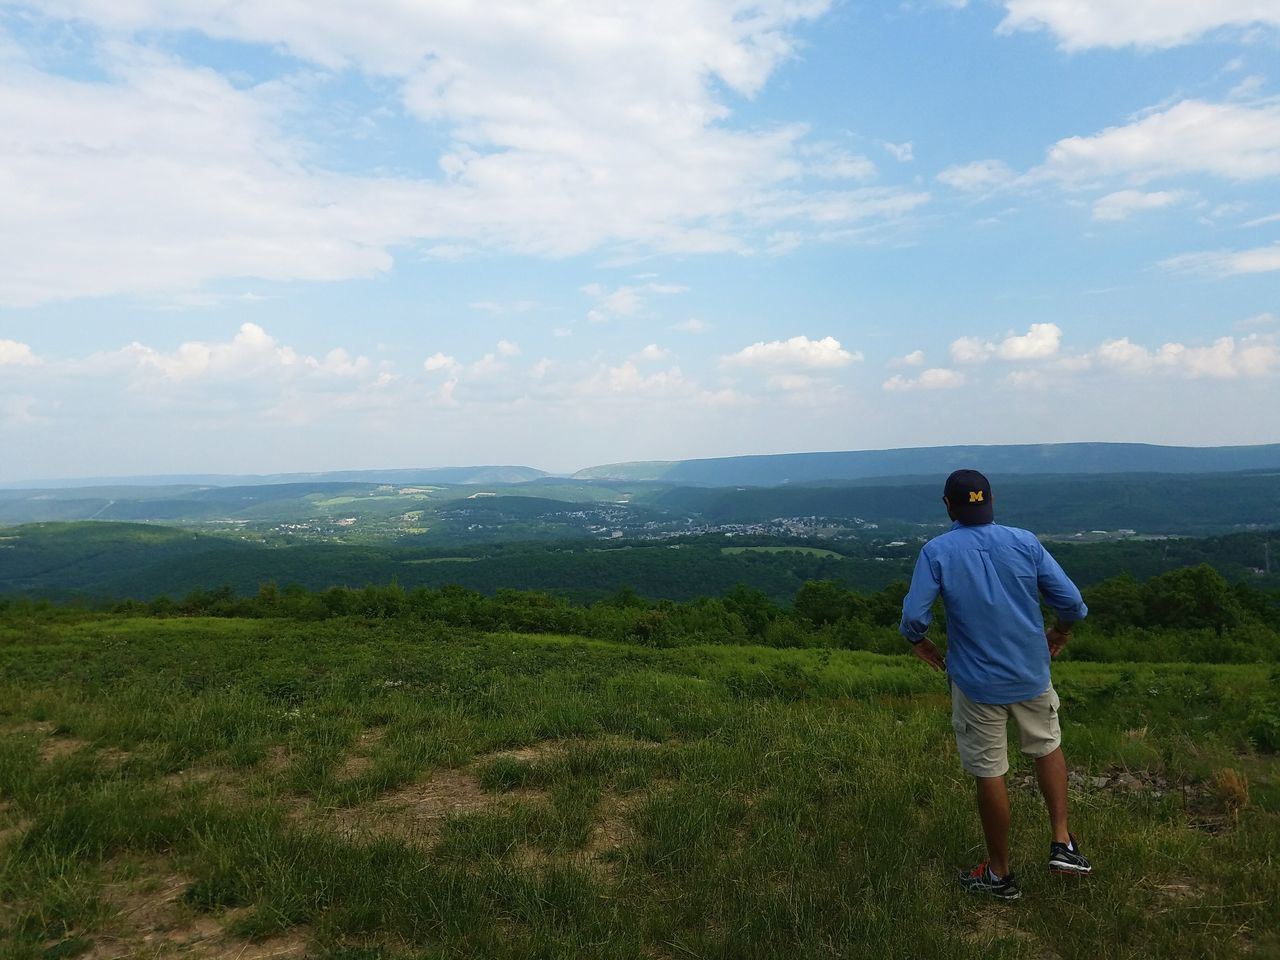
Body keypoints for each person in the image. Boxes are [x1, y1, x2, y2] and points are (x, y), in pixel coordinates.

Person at [899, 469, 1092, 901]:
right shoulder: (1024, 542)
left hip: (976, 682)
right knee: (1047, 746)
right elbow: (1073, 605)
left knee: (990, 771)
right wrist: (1059, 632)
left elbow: (914, 617)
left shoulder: (937, 552)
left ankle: (1000, 875)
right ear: (990, 500)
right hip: (1031, 671)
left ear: (947, 505)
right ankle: (1063, 843)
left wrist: (920, 643)